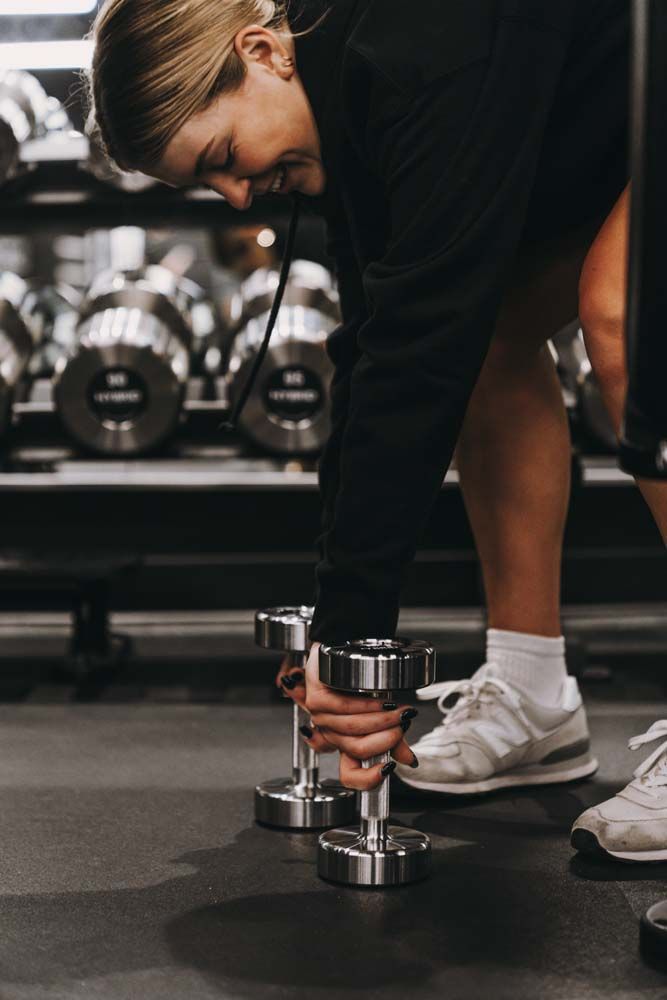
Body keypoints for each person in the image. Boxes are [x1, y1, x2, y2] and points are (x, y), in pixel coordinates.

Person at [87, 0, 667, 860]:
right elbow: (374, 349)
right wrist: (339, 626)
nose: (239, 195)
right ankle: (532, 691)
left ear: (261, 52)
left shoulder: (423, 45)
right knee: (489, 332)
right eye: (209, 186)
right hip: (618, 117)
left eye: (222, 158)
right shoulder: (340, 101)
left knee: (623, 316)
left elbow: (418, 353)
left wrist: (352, 631)